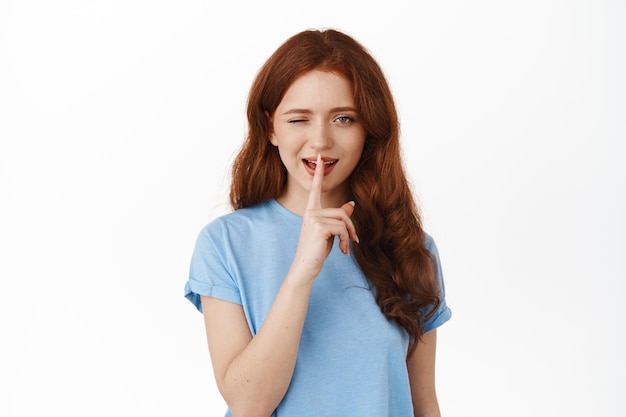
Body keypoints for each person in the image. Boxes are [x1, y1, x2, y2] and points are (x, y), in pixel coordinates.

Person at [184, 28, 451, 417]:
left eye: (343, 118)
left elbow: (423, 403)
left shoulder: (412, 248)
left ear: (369, 129)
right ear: (270, 127)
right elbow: (248, 404)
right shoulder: (226, 244)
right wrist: (301, 273)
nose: (321, 140)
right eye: (299, 120)